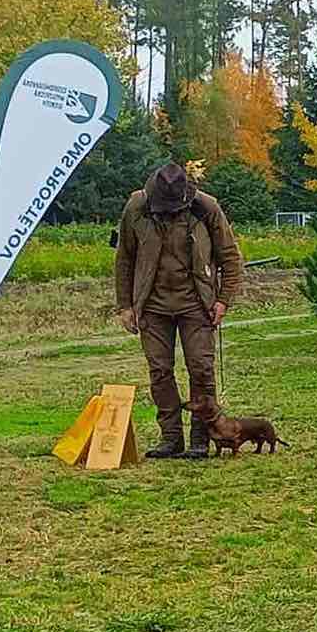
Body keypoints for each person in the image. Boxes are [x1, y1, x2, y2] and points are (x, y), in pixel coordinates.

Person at [114, 162, 244, 459]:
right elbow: (124, 258)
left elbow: (230, 258)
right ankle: (171, 439)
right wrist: (124, 305)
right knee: (160, 371)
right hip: (152, 304)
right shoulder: (136, 207)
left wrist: (223, 299)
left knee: (201, 368)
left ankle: (201, 438)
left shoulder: (206, 207)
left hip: (196, 304)